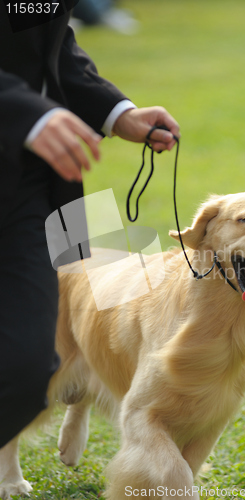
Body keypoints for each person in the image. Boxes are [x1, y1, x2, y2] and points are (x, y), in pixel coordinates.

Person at [0, 1, 179, 450]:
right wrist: (23, 111)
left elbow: (45, 40)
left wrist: (116, 110)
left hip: (37, 179)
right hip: (28, 133)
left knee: (27, 374)